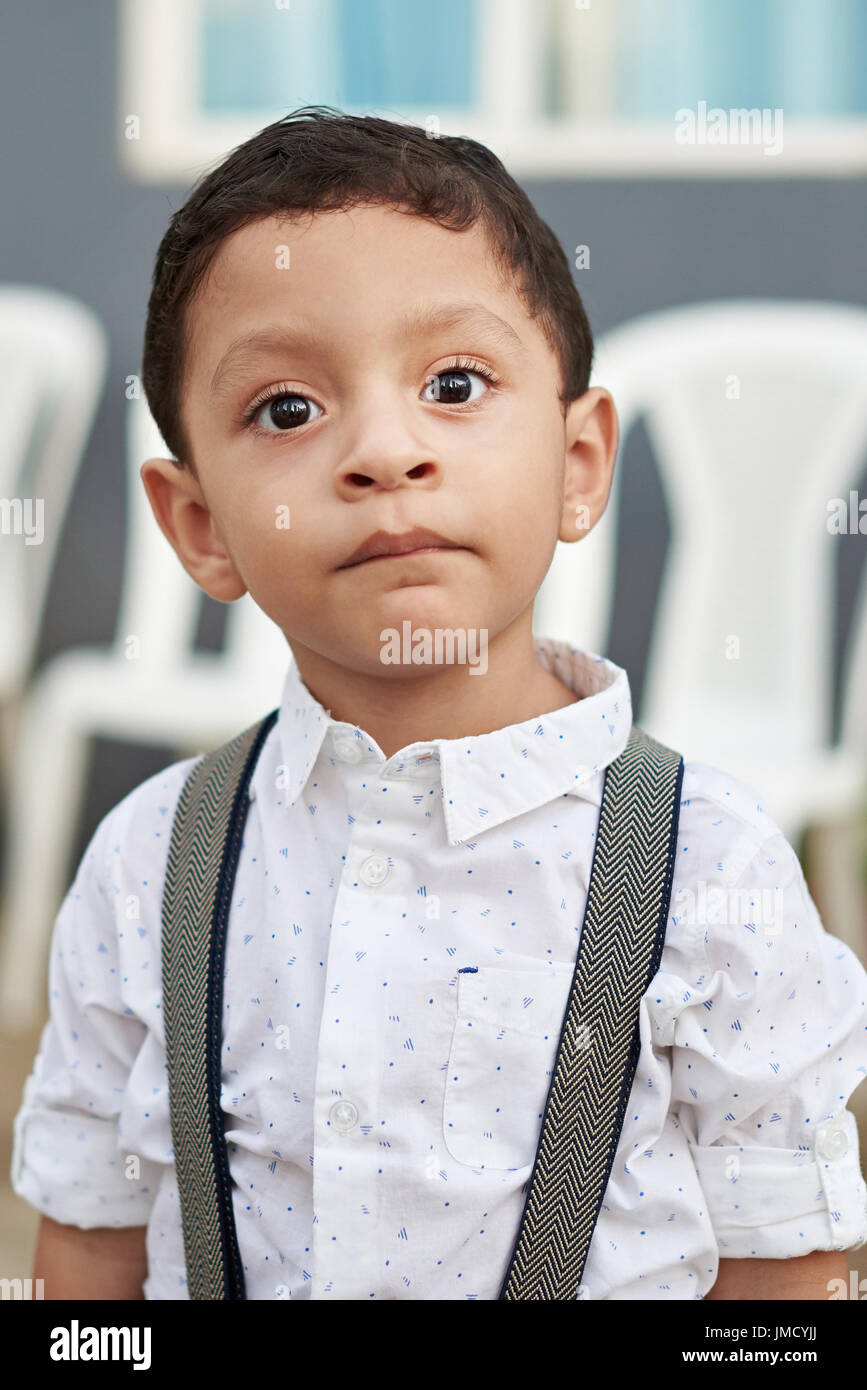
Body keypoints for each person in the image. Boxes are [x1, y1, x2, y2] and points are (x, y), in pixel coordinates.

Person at [12, 106, 867, 1301]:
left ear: (578, 467)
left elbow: (788, 1275)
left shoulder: (709, 866)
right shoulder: (149, 867)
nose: (383, 449)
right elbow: (89, 1258)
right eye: (289, 409)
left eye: (453, 383)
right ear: (199, 528)